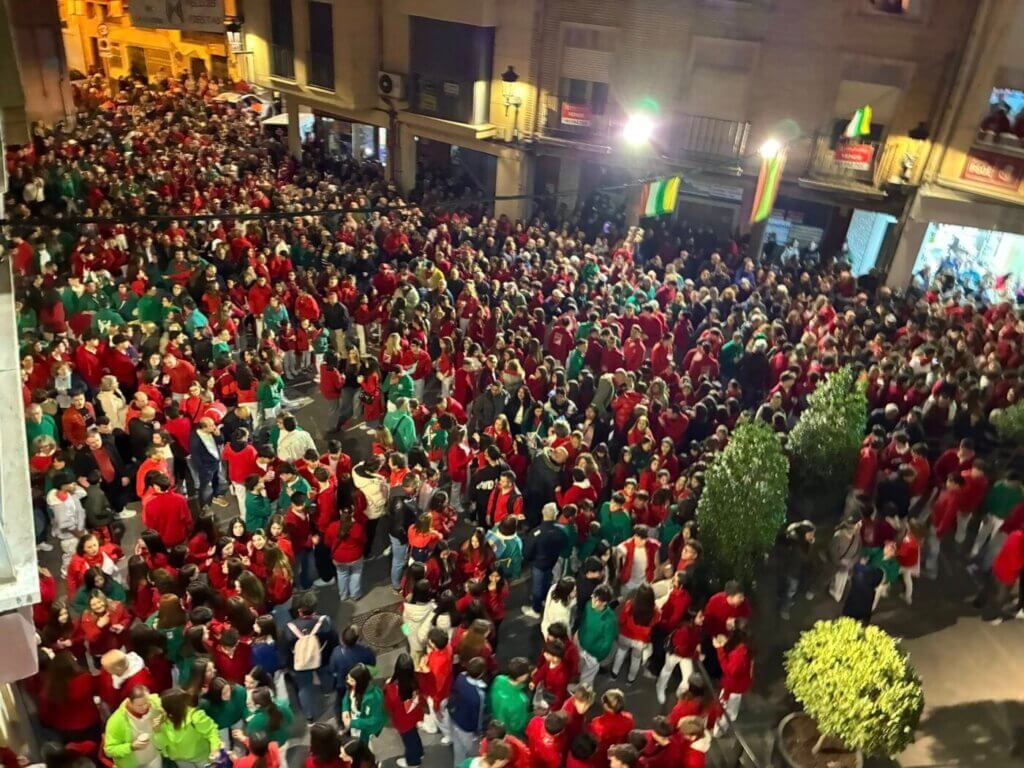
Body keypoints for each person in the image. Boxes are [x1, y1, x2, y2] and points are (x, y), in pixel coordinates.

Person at [152, 687, 222, 768]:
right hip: (179, 759)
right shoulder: (162, 719)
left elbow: (212, 731)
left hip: (201, 758)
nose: (159, 708)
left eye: (162, 706)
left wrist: (215, 749)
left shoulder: (195, 717)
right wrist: (157, 732)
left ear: (172, 707)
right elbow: (161, 745)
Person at [522, 503, 568, 619]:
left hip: (539, 564)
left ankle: (536, 609)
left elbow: (527, 552)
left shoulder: (536, 533)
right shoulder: (561, 530)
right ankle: (544, 600)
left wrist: (530, 560)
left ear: (543, 513)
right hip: (553, 562)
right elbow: (564, 544)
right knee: (547, 581)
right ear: (556, 514)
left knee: (537, 586)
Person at [103, 685, 163, 768]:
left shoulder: (156, 705)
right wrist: (131, 747)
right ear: (130, 703)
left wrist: (160, 726)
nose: (145, 707)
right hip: (131, 765)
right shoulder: (116, 721)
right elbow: (109, 750)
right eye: (139, 705)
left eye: (146, 703)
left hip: (153, 758)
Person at [383, 653, 425, 768]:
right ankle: (419, 752)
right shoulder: (416, 680)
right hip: (414, 715)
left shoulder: (392, 689)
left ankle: (413, 762)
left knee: (409, 742)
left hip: (402, 720)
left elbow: (388, 706)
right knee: (414, 735)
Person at [449, 656, 489, 766]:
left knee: (458, 750)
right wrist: (479, 732)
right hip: (467, 728)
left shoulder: (460, 677)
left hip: (455, 718)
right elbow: (478, 717)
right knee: (471, 754)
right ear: (481, 674)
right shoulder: (479, 695)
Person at [576, 584, 618, 688]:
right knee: (578, 669)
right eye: (593, 597)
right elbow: (583, 622)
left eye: (597, 600)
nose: (593, 601)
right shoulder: (588, 605)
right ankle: (577, 687)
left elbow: (607, 643)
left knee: (587, 679)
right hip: (580, 646)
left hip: (593, 655)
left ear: (605, 602)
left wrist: (597, 657)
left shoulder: (610, 619)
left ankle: (584, 693)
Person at [340, 664, 386, 745]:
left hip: (364, 727)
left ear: (360, 681)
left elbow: (374, 720)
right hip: (354, 721)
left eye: (352, 680)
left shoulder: (375, 697)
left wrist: (352, 723)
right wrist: (345, 710)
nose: (348, 681)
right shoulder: (353, 686)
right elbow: (346, 697)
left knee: (363, 745)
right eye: (348, 678)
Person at [488, 657, 532, 737]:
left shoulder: (498, 679)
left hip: (494, 723)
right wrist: (531, 715)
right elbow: (518, 726)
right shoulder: (521, 700)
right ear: (521, 677)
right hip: (508, 734)